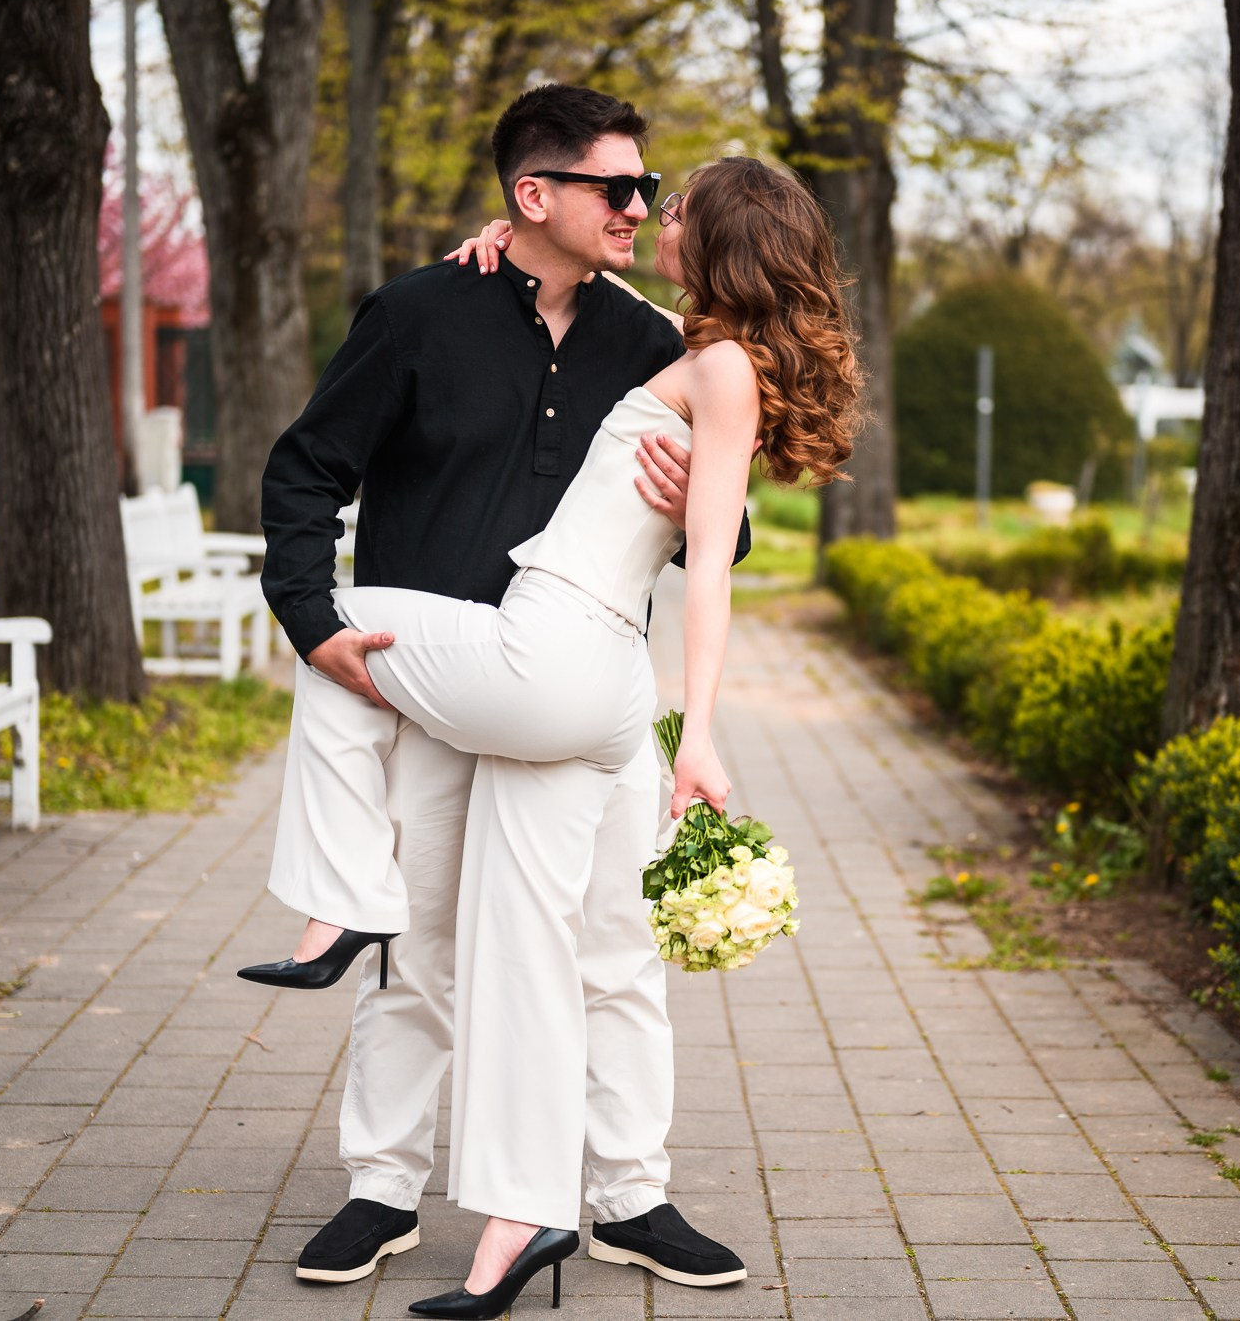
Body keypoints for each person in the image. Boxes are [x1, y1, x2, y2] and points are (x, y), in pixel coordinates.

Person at [258, 148, 862, 1315]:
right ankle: (435, 1197)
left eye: (660, 197)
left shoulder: (662, 350)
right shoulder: (428, 310)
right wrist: (500, 255)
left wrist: (698, 713)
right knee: (450, 956)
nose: (639, 210)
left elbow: (715, 555)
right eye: (619, 189)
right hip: (469, 688)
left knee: (611, 956)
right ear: (535, 196)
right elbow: (309, 467)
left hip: (566, 674)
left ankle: (629, 1195)